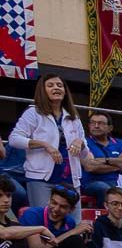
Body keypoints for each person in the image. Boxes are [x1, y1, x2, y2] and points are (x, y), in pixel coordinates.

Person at [9, 74, 89, 216]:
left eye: (59, 85)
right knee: (44, 223)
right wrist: (44, 144)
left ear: (65, 91)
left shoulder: (73, 117)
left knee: (74, 226)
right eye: (50, 85)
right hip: (41, 180)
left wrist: (81, 142)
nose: (56, 88)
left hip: (71, 180)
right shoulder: (33, 113)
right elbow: (14, 139)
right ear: (42, 90)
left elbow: (84, 153)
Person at [18, 184, 90, 248]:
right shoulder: (33, 214)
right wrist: (71, 233)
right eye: (54, 203)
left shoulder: (69, 222)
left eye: (63, 207)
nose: (56, 209)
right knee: (75, 240)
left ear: (71, 209)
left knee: (77, 242)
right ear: (49, 200)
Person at [80, 112, 122, 204]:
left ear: (110, 128)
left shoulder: (119, 143)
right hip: (92, 182)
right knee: (107, 190)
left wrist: (105, 161)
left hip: (118, 181)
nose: (96, 126)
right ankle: (106, 218)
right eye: (93, 123)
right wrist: (119, 166)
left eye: (101, 123)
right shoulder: (84, 142)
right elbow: (90, 167)